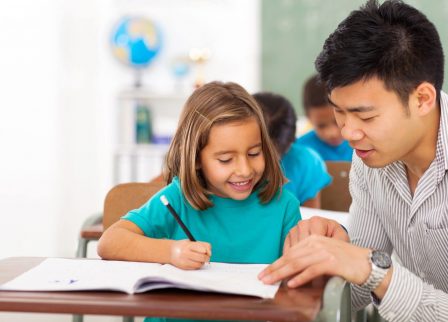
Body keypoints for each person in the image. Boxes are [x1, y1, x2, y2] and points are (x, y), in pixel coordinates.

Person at [258, 1, 448, 321]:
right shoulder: (374, 155)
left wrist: (370, 269)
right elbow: (359, 291)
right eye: (339, 112)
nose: (349, 132)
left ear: (422, 99)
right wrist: (335, 250)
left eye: (365, 115)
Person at [98, 81, 301, 271]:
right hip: (182, 309)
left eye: (254, 153)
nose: (245, 170)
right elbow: (109, 242)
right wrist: (171, 252)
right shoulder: (177, 199)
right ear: (195, 158)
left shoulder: (285, 207)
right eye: (226, 159)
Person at [253, 92, 332, 208]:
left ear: (291, 142)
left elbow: (310, 217)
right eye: (253, 153)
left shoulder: (307, 162)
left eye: (272, 156)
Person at [296, 74, 353, 161]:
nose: (332, 133)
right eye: (321, 126)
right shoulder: (299, 150)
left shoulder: (364, 143)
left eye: (337, 122)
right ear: (308, 118)